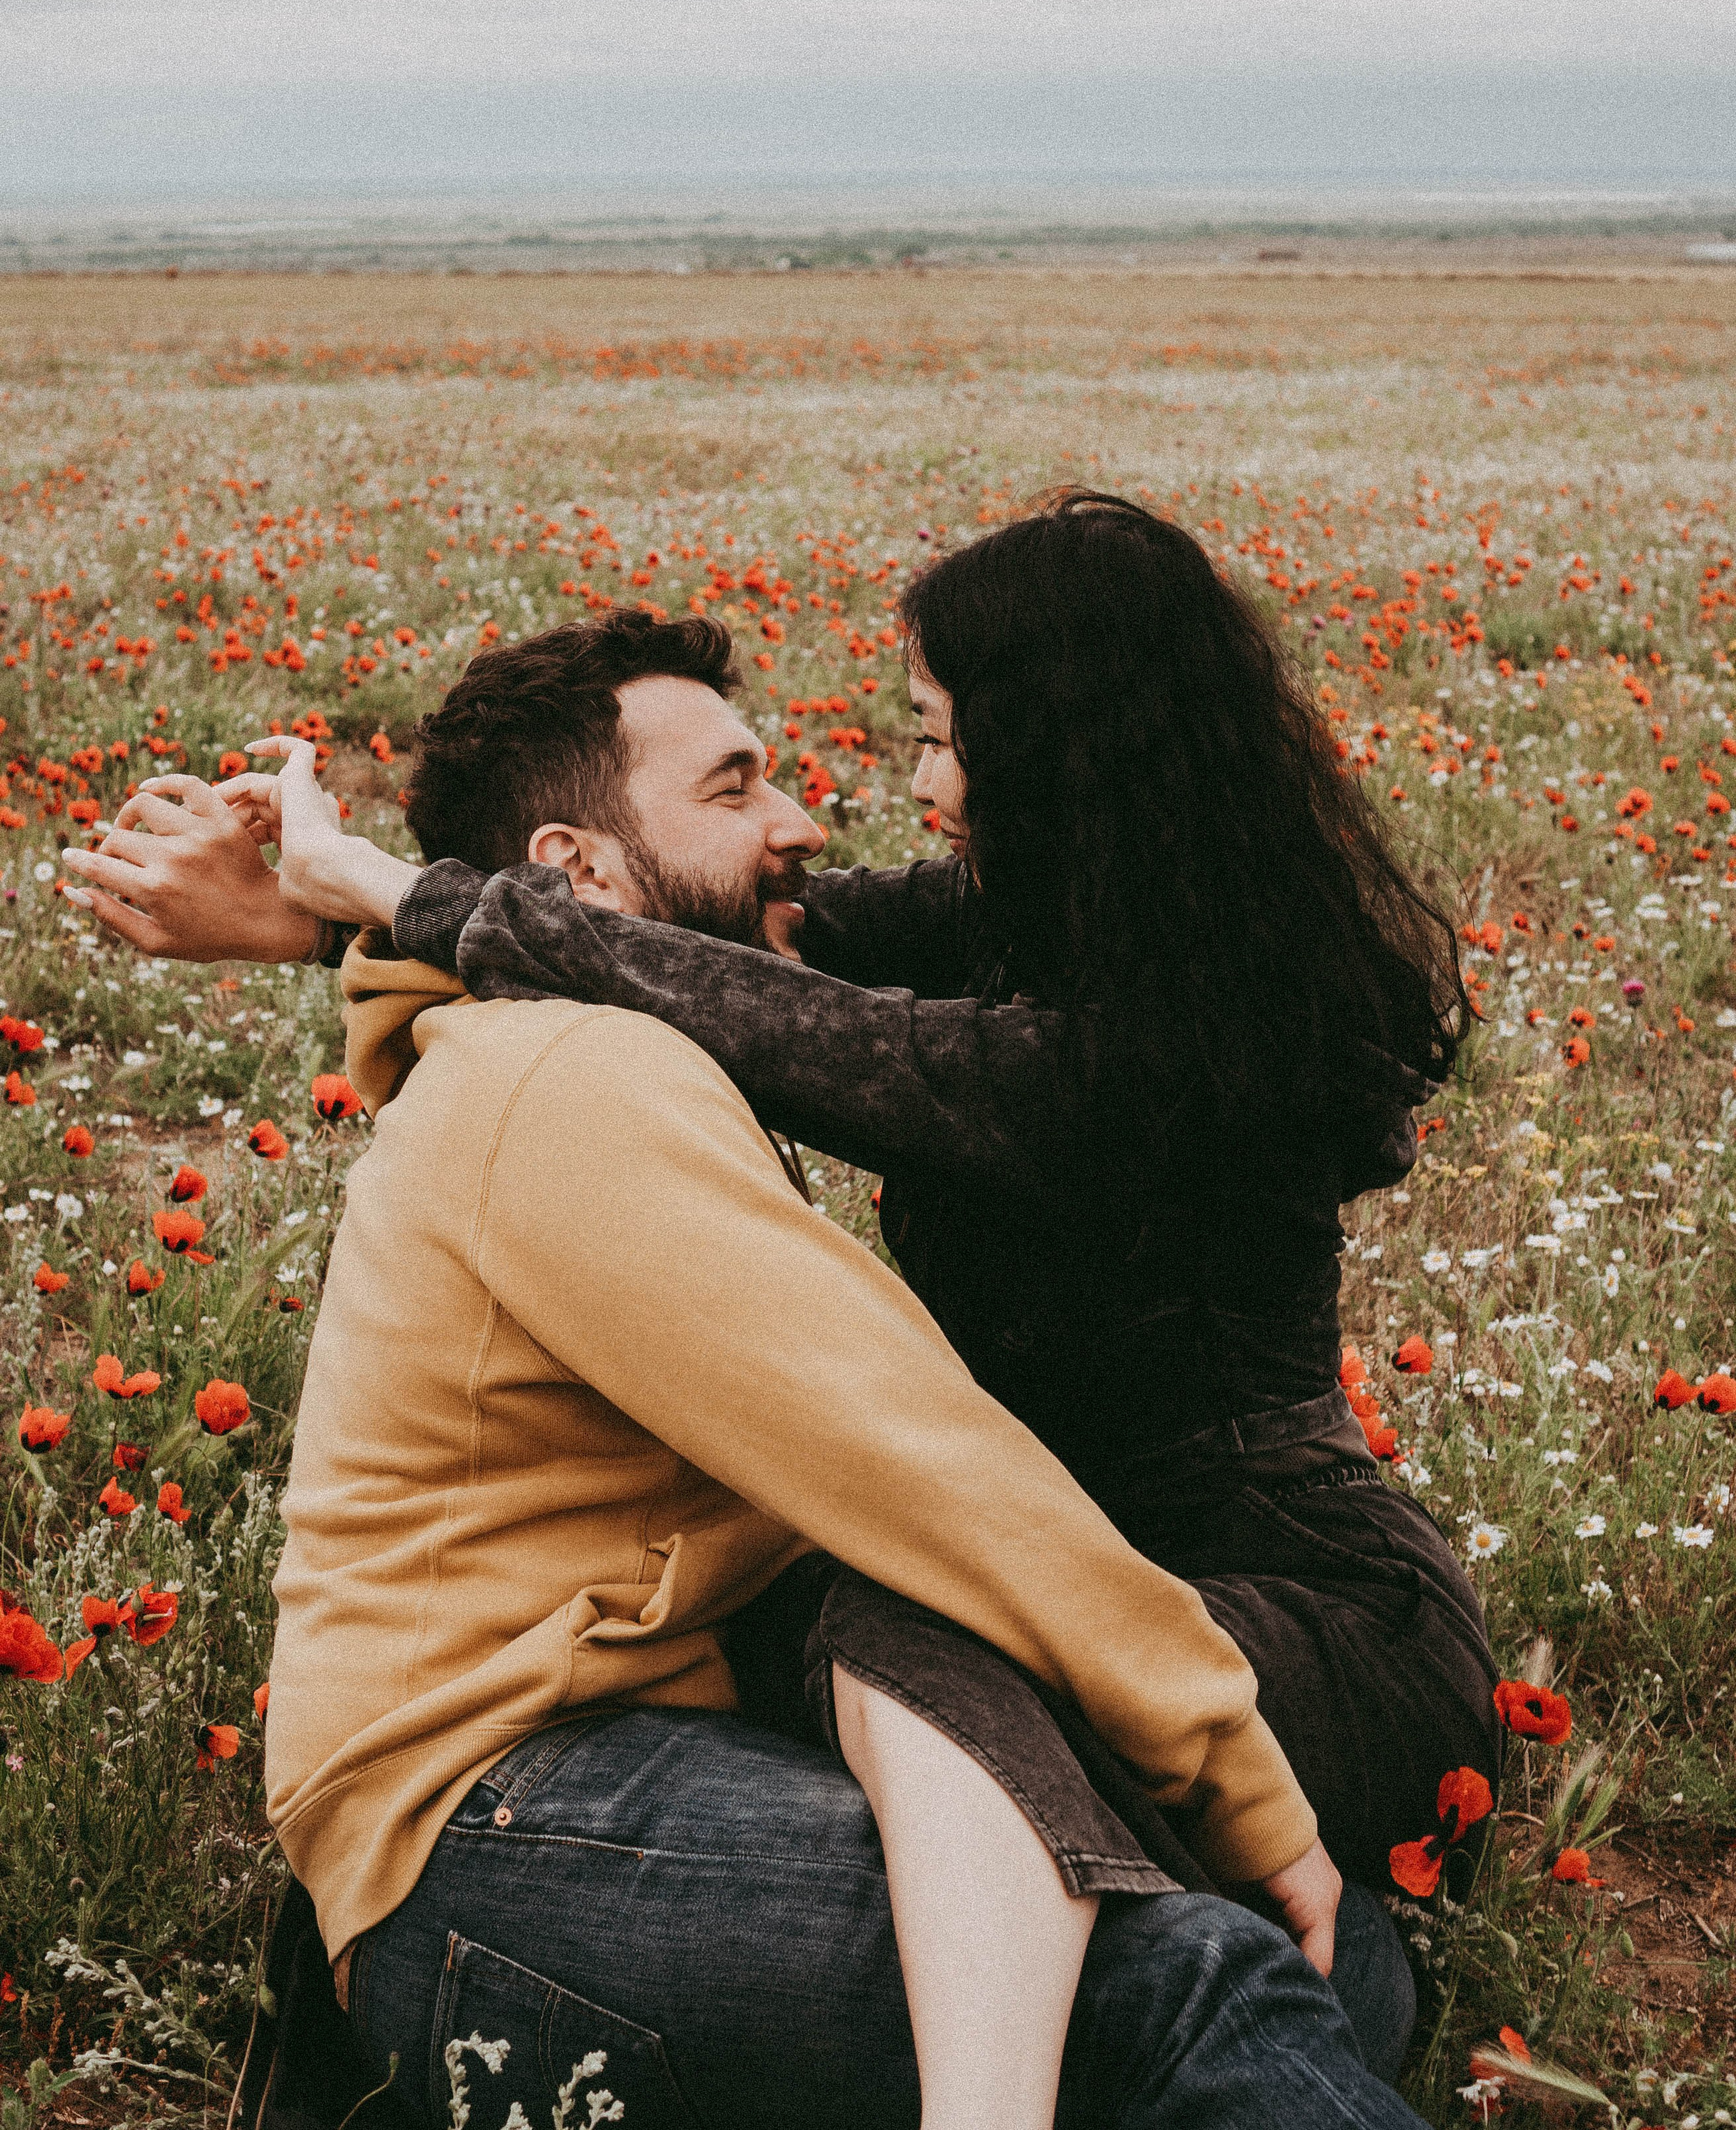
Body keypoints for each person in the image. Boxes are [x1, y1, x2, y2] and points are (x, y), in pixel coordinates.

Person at [65, 608, 1432, 2130]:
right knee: (1196, 1994)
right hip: (501, 1829)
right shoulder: (574, 1079)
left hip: (589, 1789)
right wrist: (1234, 1773)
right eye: (731, 789)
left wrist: (340, 914)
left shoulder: (576, 1046)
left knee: (1327, 1963)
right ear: (572, 874)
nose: (800, 825)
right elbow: (918, 1456)